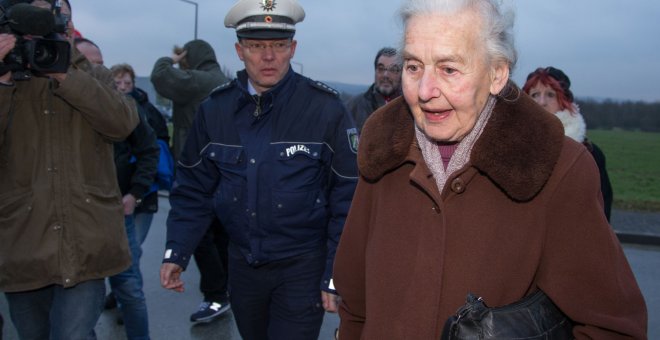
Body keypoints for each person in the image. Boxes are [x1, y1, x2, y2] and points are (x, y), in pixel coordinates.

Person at [333, 0, 647, 339]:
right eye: (413, 67)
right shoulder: (382, 152)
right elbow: (355, 305)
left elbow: (612, 327)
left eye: (448, 69)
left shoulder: (558, 167)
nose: (424, 91)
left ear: (496, 73)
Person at [159, 0, 359, 338]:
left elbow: (348, 199)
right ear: (239, 50)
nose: (268, 57)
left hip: (302, 267)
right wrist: (176, 251)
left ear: (292, 48)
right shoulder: (215, 111)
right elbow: (193, 188)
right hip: (242, 266)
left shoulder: (325, 110)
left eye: (278, 45)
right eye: (256, 46)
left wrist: (334, 273)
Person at [0, 0, 139, 339]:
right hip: (24, 242)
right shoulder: (7, 71)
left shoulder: (90, 71)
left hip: (86, 243)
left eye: (57, 10)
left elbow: (122, 123)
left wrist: (65, 71)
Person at [76, 42, 158, 339]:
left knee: (129, 286)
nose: (95, 68)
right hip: (70, 216)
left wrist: (134, 194)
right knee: (80, 300)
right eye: (86, 61)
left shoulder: (122, 107)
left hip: (114, 211)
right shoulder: (50, 104)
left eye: (100, 62)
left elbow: (150, 150)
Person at [150, 39, 232, 323]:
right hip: (225, 169)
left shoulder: (198, 81)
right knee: (220, 233)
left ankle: (216, 296)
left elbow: (160, 78)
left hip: (199, 169)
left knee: (199, 234)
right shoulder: (224, 79)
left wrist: (170, 59)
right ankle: (224, 289)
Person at [523, 66, 614, 221]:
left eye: (550, 95)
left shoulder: (588, 153)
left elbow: (601, 214)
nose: (541, 102)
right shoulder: (510, 147)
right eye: (535, 95)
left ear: (564, 101)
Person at [345, 47, 402, 132]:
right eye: (381, 68)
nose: (386, 75)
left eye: (393, 69)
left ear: (401, 73)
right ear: (375, 71)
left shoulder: (412, 108)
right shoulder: (354, 106)